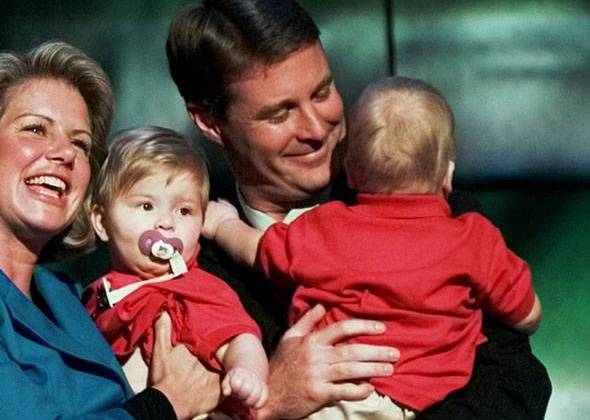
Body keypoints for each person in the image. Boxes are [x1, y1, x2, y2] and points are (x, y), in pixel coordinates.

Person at [165, 0, 551, 418]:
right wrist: (270, 398)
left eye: (323, 92)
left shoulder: (438, 208)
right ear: (209, 122)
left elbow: (519, 380)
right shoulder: (184, 259)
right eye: (279, 113)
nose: (317, 129)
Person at [0, 41, 219, 419]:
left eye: (80, 143)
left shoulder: (71, 297)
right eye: (35, 129)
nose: (65, 153)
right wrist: (164, 405)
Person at [85, 126, 268, 414]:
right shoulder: (95, 294)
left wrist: (247, 372)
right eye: (146, 206)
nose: (166, 223)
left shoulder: (193, 291)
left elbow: (240, 338)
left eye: (184, 211)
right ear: (101, 221)